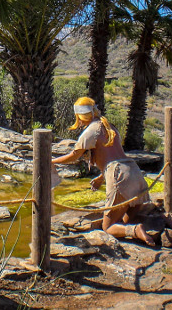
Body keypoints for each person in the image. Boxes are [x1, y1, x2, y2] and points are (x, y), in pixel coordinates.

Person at [51, 97, 156, 246]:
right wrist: (101, 177)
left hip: (118, 174)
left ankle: (136, 230)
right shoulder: (109, 126)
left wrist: (51, 161)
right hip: (134, 171)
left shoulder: (91, 131)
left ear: (80, 117)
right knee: (126, 219)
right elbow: (114, 155)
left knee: (107, 227)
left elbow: (74, 156)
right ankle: (157, 223)